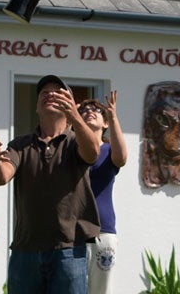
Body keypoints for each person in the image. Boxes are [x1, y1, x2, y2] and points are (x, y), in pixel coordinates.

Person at [0, 75, 101, 294]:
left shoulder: (76, 140)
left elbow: (92, 153)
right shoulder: (20, 145)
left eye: (57, 92)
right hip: (26, 251)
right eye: (44, 92)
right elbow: (0, 177)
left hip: (68, 250)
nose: (49, 94)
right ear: (37, 107)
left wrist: (75, 116)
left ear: (68, 102)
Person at [78, 91, 126, 294]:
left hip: (103, 231)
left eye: (96, 110)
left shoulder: (108, 150)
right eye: (84, 110)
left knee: (100, 291)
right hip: (73, 230)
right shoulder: (71, 149)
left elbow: (122, 158)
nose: (90, 112)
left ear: (105, 122)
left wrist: (113, 115)